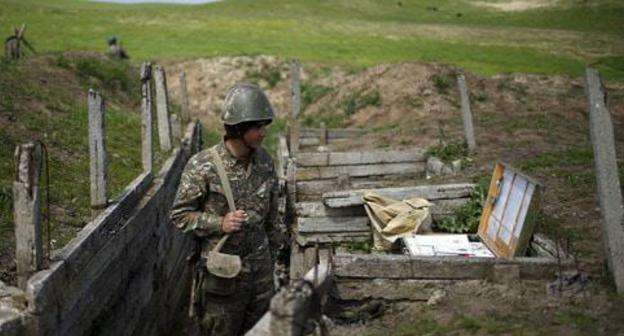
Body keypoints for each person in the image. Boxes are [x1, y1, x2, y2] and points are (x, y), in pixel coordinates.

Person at [170, 83, 287, 336]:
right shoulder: (203, 165)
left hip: (261, 278)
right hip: (223, 279)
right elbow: (180, 216)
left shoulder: (265, 161)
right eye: (257, 127)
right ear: (238, 128)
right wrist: (219, 223)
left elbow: (273, 217)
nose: (263, 133)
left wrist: (274, 255)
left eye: (263, 126)